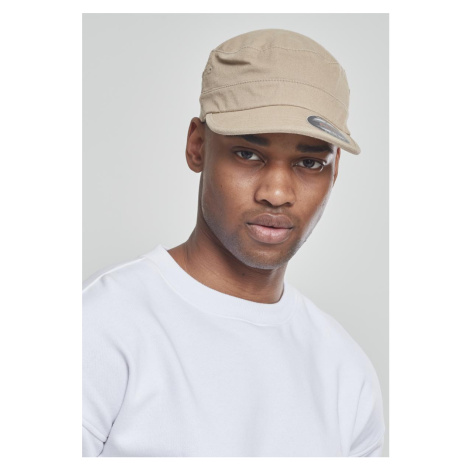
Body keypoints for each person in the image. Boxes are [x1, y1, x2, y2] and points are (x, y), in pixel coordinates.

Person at [82, 28, 385, 457]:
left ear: (334, 173)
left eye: (309, 162)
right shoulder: (102, 325)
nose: (276, 193)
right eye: (248, 154)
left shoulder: (346, 373)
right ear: (197, 147)